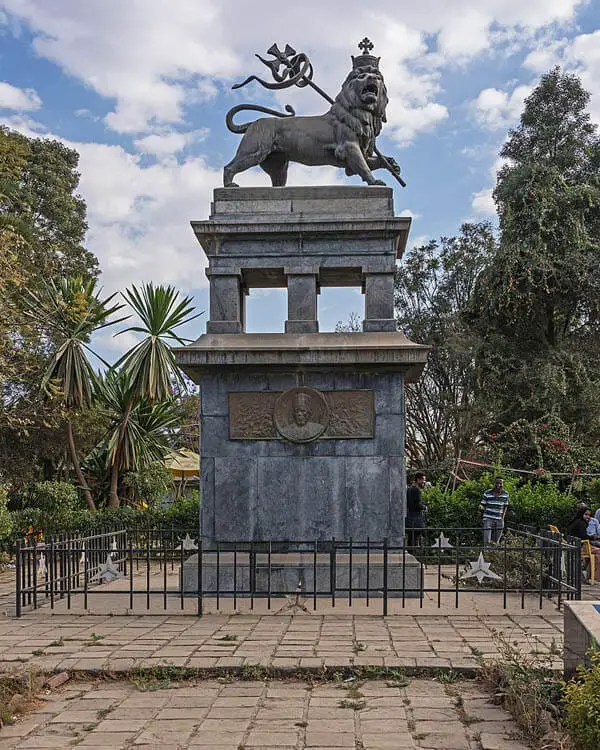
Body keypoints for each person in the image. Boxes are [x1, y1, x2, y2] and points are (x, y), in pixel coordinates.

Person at [480, 477, 509, 545]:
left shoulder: (505, 494)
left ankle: (493, 554)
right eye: (497, 483)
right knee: (487, 540)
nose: (498, 485)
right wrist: (483, 517)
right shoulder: (487, 493)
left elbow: (505, 506)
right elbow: (482, 505)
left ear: (503, 484)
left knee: (496, 541)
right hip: (488, 519)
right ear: (494, 483)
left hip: (499, 519)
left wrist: (503, 517)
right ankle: (486, 553)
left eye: (500, 483)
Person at [406, 472, 426, 547]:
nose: (424, 482)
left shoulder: (409, 489)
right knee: (416, 539)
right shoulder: (417, 490)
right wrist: (425, 507)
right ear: (418, 480)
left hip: (410, 517)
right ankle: (415, 555)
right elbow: (418, 504)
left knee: (411, 539)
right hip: (417, 518)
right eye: (423, 480)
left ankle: (410, 554)